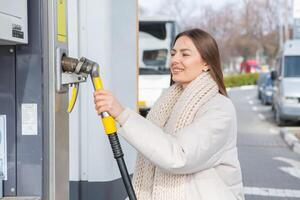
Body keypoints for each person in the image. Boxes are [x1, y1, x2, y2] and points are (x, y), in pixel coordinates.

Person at [94, 28, 245, 200]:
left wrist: (122, 114)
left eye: (185, 54)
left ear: (206, 64)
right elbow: (154, 155)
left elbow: (178, 156)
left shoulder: (220, 109)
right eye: (173, 53)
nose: (175, 60)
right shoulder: (167, 103)